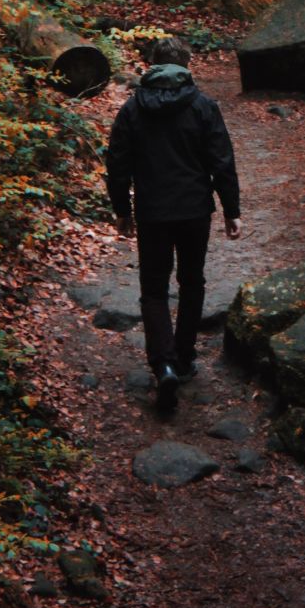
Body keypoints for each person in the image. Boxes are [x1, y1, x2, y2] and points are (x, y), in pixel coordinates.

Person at [105, 35, 241, 413]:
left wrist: (122, 211)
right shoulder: (202, 106)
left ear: (151, 65)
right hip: (195, 211)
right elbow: (222, 162)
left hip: (153, 213)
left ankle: (162, 363)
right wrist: (232, 210)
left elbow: (117, 165)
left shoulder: (133, 109)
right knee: (192, 281)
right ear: (187, 66)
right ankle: (183, 357)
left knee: (153, 289)